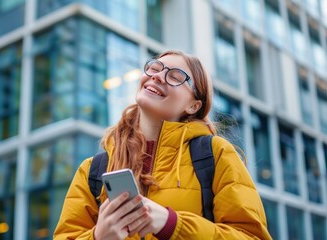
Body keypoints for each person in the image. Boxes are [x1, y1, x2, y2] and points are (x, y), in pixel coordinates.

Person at [54, 50, 272, 239]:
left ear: (194, 105)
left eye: (175, 76)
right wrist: (98, 237)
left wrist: (172, 225)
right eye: (154, 68)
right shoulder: (93, 170)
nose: (157, 76)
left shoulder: (216, 154)